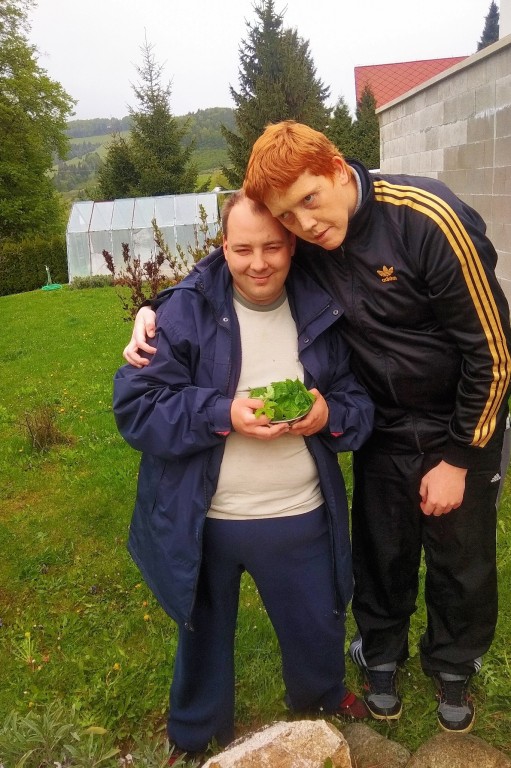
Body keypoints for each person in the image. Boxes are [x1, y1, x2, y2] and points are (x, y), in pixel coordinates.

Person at [125, 121, 511, 735]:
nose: (304, 225)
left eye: (309, 200)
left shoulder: (427, 218)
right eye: (289, 216)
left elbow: (493, 352)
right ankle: (380, 654)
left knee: (462, 554)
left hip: (461, 417)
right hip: (383, 419)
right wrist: (161, 305)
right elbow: (235, 256)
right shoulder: (304, 239)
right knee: (382, 549)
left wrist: (461, 456)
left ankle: (454, 663)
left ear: (336, 167)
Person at [113, 190, 374, 764]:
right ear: (222, 247)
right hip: (207, 515)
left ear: (293, 245)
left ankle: (321, 696)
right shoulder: (182, 313)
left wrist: (327, 415)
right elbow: (137, 408)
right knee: (202, 631)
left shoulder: (322, 308)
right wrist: (223, 414)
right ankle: (195, 729)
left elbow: (358, 402)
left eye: (273, 247)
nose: (259, 263)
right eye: (243, 249)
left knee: (316, 621)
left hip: (298, 509)